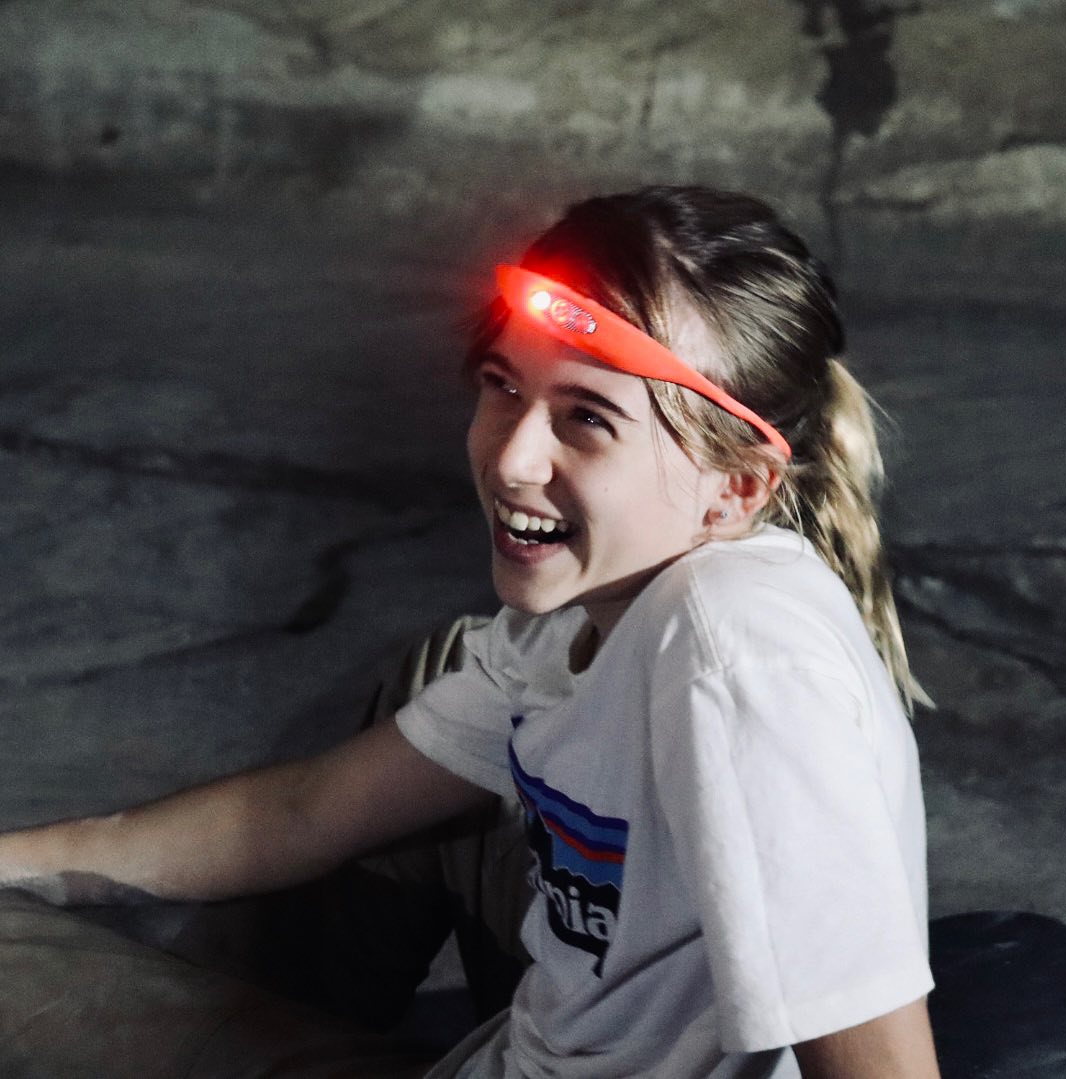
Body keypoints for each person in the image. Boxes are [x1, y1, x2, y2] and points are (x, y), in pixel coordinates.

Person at [0, 186, 940, 1077]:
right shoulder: (600, 607)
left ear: (736, 489)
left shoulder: (736, 658)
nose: (512, 456)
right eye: (502, 385)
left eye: (587, 418)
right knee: (444, 670)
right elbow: (306, 812)